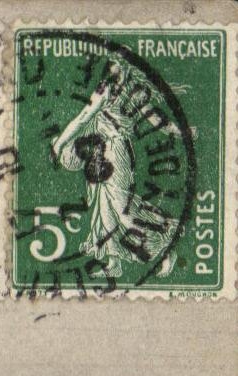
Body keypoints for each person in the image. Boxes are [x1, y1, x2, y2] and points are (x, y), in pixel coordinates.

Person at [50, 58, 178, 281]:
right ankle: (113, 263)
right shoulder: (126, 90)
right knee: (105, 207)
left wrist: (60, 143)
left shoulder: (110, 91)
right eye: (115, 62)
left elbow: (82, 119)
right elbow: (156, 119)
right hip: (107, 151)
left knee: (122, 210)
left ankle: (166, 243)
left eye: (120, 62)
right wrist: (179, 131)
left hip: (115, 151)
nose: (116, 65)